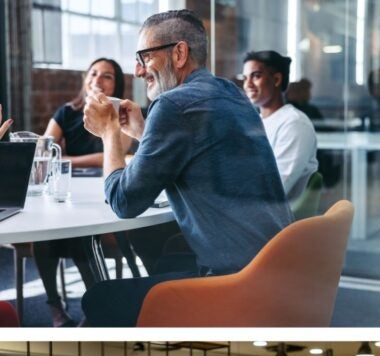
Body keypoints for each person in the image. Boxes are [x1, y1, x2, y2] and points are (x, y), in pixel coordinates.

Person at [80, 9, 292, 326]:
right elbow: (199, 157)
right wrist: (143, 133)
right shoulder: (230, 93)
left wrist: (109, 133)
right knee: (165, 250)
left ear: (179, 53)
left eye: (144, 57)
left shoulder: (172, 105)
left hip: (237, 281)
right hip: (276, 269)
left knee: (98, 298)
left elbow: (124, 202)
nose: (137, 70)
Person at [36, 58, 135, 326]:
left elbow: (113, 156)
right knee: (44, 236)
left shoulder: (121, 114)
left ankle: (96, 308)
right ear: (85, 79)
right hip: (70, 193)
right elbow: (43, 152)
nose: (97, 80)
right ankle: (55, 305)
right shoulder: (67, 112)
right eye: (93, 74)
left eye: (107, 76)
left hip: (105, 194)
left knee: (81, 234)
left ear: (117, 84)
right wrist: (84, 159)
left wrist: (65, 159)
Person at [242, 50, 318, 202]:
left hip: (271, 211)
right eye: (245, 78)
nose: (248, 84)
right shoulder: (256, 122)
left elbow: (275, 186)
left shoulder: (294, 124)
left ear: (276, 79)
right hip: (249, 204)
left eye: (256, 76)